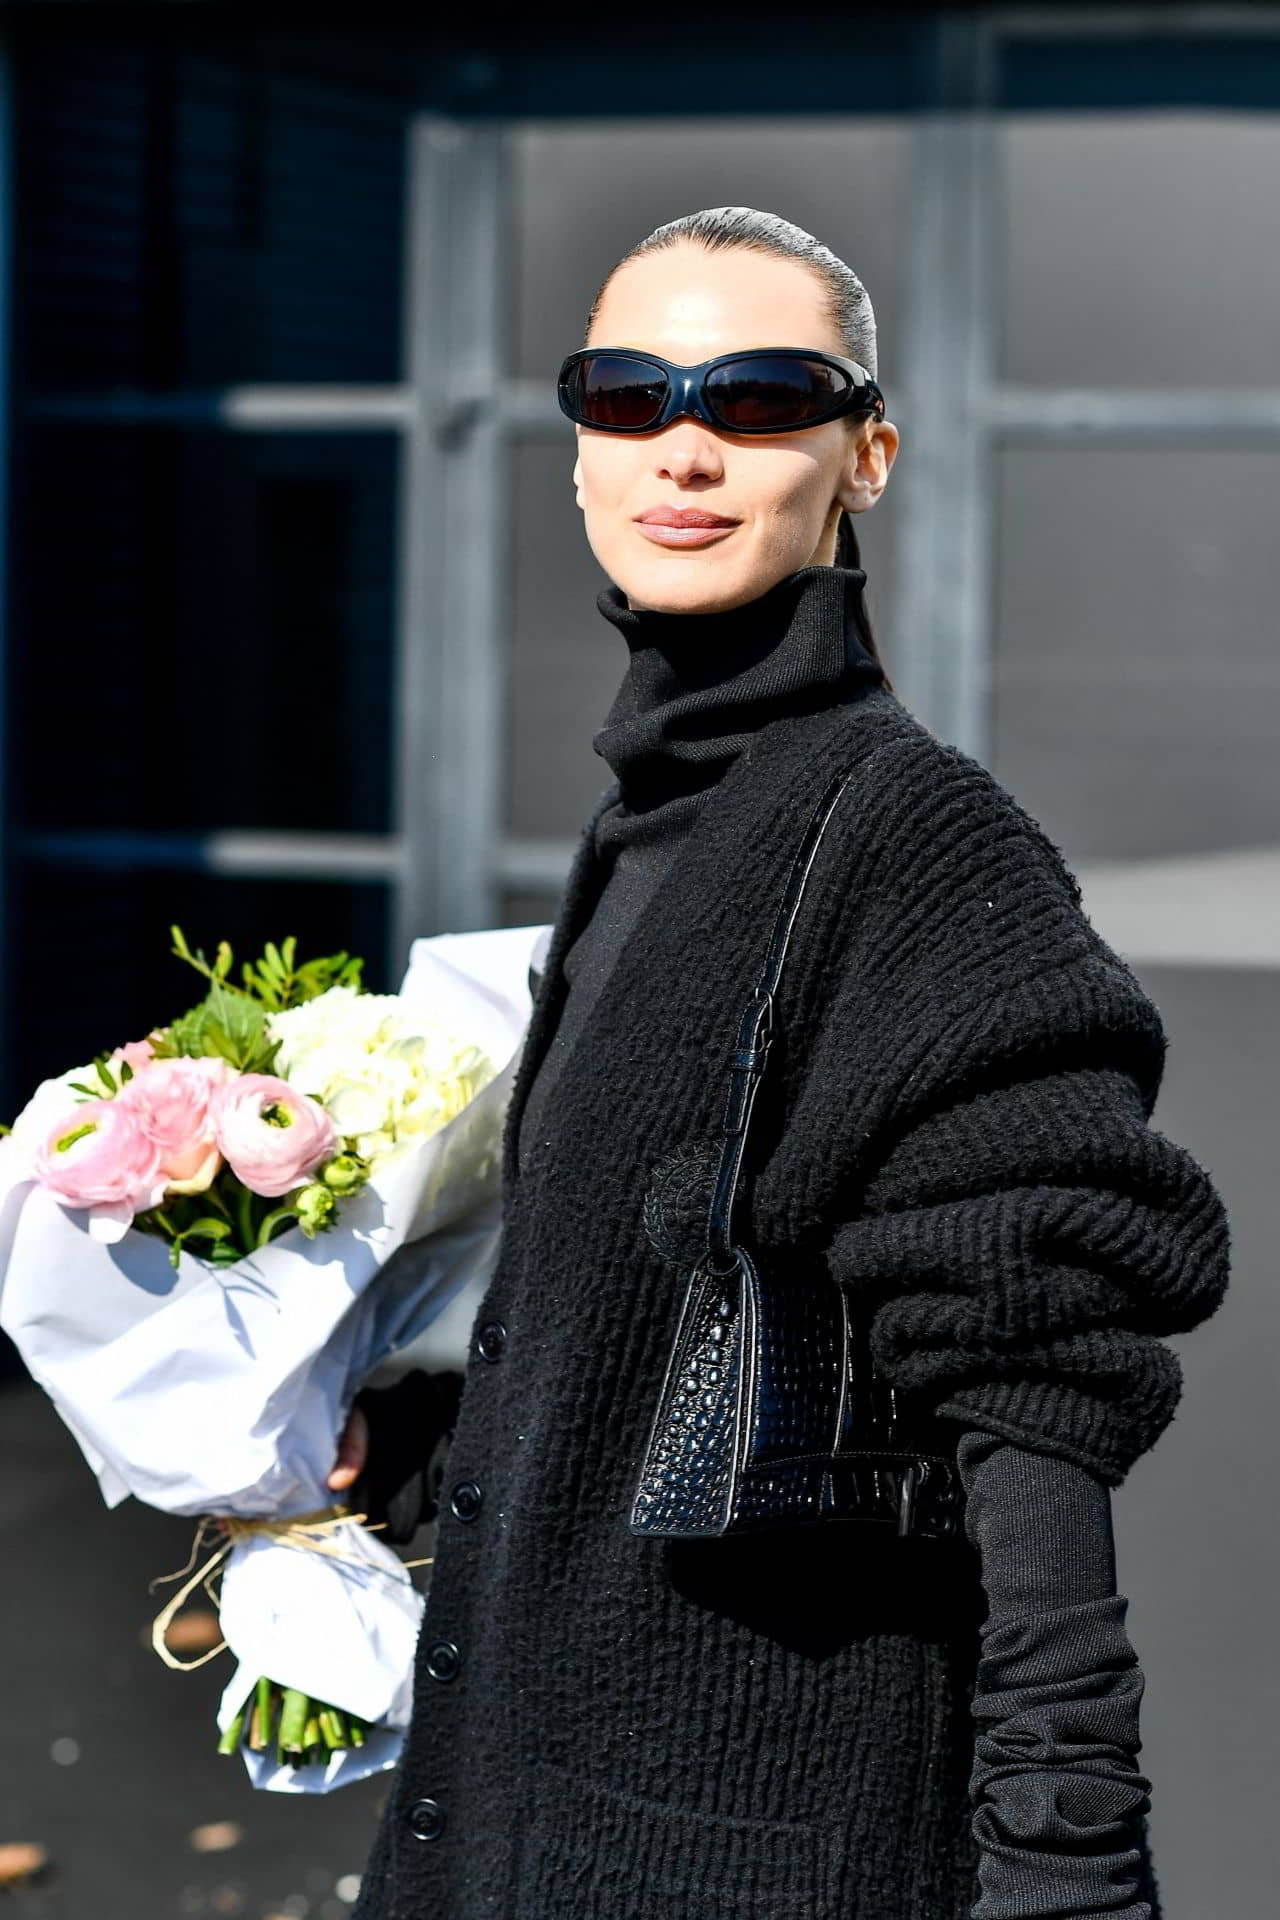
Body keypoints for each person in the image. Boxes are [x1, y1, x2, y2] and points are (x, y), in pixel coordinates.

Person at [335, 208, 1230, 1919]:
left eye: (761, 396)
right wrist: (413, 1446)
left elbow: (1033, 1381)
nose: (686, 443)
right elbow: (649, 1323)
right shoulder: (647, 831)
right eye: (629, 393)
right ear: (578, 451)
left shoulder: (916, 838)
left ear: (866, 453)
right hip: (513, 1819)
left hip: (735, 1850)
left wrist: (1067, 1862)